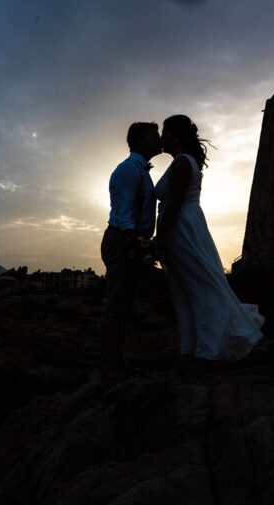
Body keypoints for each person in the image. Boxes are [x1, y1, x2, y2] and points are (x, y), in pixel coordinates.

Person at [153, 114, 265, 376]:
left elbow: (175, 205)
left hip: (182, 228)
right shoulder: (180, 162)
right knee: (184, 290)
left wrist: (160, 237)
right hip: (184, 226)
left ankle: (206, 351)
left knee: (197, 287)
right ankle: (191, 350)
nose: (161, 138)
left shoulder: (182, 163)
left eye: (165, 132)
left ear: (176, 136)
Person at [97, 122, 162, 379]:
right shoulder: (129, 170)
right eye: (154, 135)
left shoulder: (140, 170)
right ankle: (109, 367)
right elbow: (124, 209)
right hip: (123, 240)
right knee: (115, 305)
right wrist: (134, 241)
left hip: (129, 239)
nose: (159, 140)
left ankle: (118, 363)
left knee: (123, 305)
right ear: (141, 139)